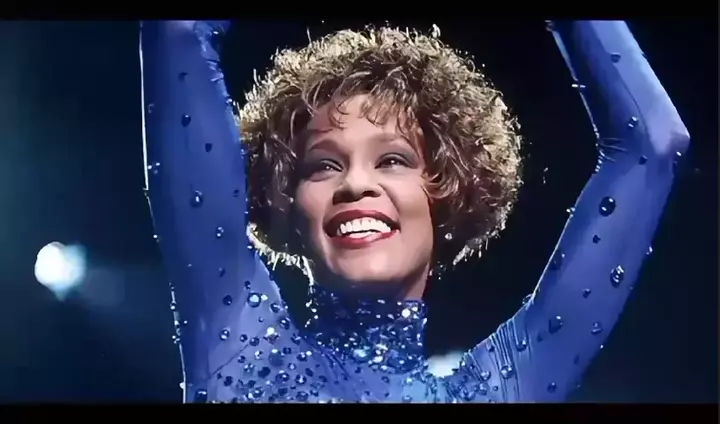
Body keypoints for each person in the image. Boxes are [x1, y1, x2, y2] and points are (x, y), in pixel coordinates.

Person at [139, 20, 689, 403]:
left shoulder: (499, 391)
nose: (356, 184)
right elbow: (179, 30)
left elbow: (653, 144)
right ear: (284, 203)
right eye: (323, 166)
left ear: (446, 194)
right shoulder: (240, 342)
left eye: (393, 160)